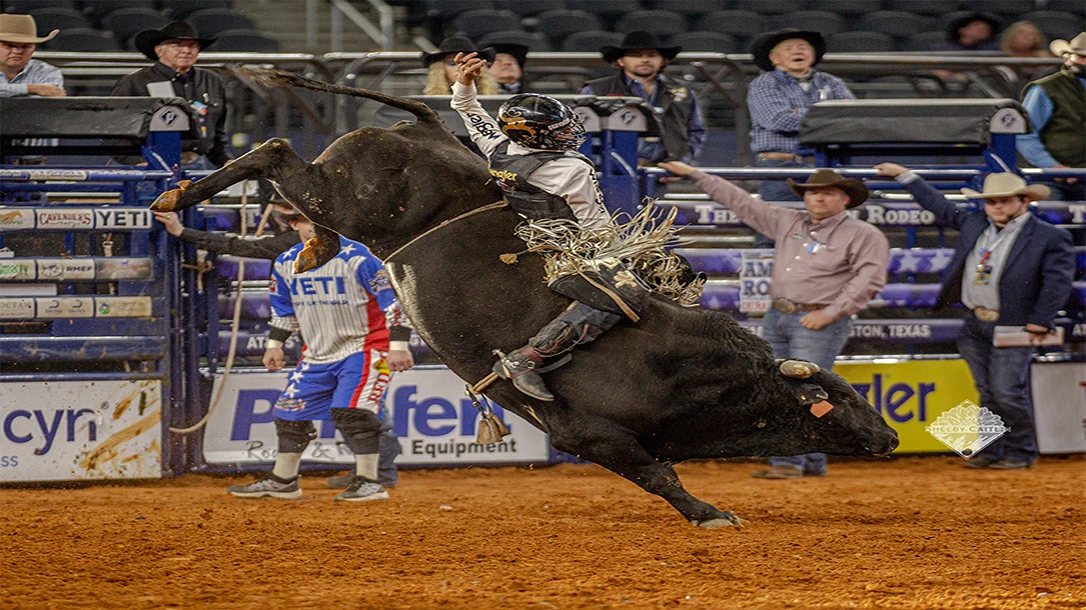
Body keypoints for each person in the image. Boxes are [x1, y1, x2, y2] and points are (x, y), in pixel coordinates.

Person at [659, 161, 889, 479]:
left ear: (845, 199)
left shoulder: (862, 234)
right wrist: (696, 175)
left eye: (827, 193)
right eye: (812, 193)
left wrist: (830, 312)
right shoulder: (788, 221)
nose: (818, 199)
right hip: (779, 314)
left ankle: (789, 463)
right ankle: (809, 461)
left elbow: (870, 279)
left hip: (817, 317)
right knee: (794, 387)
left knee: (804, 389)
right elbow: (742, 203)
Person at [453, 51, 653, 402]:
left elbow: (470, 112)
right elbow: (593, 223)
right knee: (628, 292)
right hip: (564, 248)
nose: (567, 133)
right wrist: (621, 254)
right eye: (558, 129)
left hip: (520, 236)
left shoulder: (498, 146)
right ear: (537, 136)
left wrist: (465, 83)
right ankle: (528, 359)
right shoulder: (570, 169)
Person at [875, 163, 1075, 470]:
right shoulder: (975, 223)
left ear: (1024, 201)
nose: (996, 205)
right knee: (988, 391)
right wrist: (906, 176)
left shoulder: (1048, 236)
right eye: (991, 201)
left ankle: (1021, 452)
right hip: (976, 322)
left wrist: (1041, 319)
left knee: (1006, 391)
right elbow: (937, 204)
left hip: (1015, 324)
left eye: (1004, 200)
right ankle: (994, 452)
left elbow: (1057, 282)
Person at [226, 212, 414, 501]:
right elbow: (283, 309)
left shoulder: (360, 257)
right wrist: (274, 344)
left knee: (353, 411)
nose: (315, 226)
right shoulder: (286, 262)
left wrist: (398, 346)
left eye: (321, 220)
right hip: (315, 352)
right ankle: (284, 480)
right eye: (306, 220)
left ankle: (370, 480)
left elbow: (394, 301)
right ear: (293, 225)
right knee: (289, 413)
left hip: (364, 347)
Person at [746, 29, 854, 247]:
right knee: (774, 230)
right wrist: (824, 114)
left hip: (827, 168)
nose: (797, 52)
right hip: (781, 167)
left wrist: (799, 112)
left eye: (803, 47)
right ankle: (768, 276)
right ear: (774, 58)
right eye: (788, 49)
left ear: (813, 55)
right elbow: (779, 121)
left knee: (830, 233)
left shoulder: (831, 82)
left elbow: (850, 117)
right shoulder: (764, 83)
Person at [110, 21, 230, 169]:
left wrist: (227, 163)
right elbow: (114, 131)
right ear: (159, 51)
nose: (186, 50)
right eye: (177, 45)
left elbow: (217, 134)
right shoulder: (135, 83)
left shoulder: (211, 81)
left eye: (192, 46)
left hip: (197, 163)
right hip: (150, 163)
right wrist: (135, 161)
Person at [580, 31, 705, 167]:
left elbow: (696, 131)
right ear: (620, 61)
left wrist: (681, 163)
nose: (645, 60)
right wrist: (607, 165)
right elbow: (581, 133)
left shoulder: (683, 92)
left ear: (662, 60)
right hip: (609, 173)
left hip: (665, 171)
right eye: (636, 55)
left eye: (652, 55)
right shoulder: (596, 90)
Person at [1016, 32, 1085, 202]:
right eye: (1081, 57)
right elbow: (1024, 134)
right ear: (1068, 58)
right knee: (1050, 215)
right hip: (1052, 178)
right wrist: (1053, 167)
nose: (1084, 62)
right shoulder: (1046, 89)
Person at [0, 14, 64, 98]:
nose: (17, 51)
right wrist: (32, 88)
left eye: (25, 46)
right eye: (9, 46)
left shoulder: (47, 71)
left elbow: (49, 102)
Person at [422, 36, 498, 95]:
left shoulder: (497, 98)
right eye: (452, 64)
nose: (460, 68)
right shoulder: (428, 102)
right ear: (440, 69)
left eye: (466, 63)